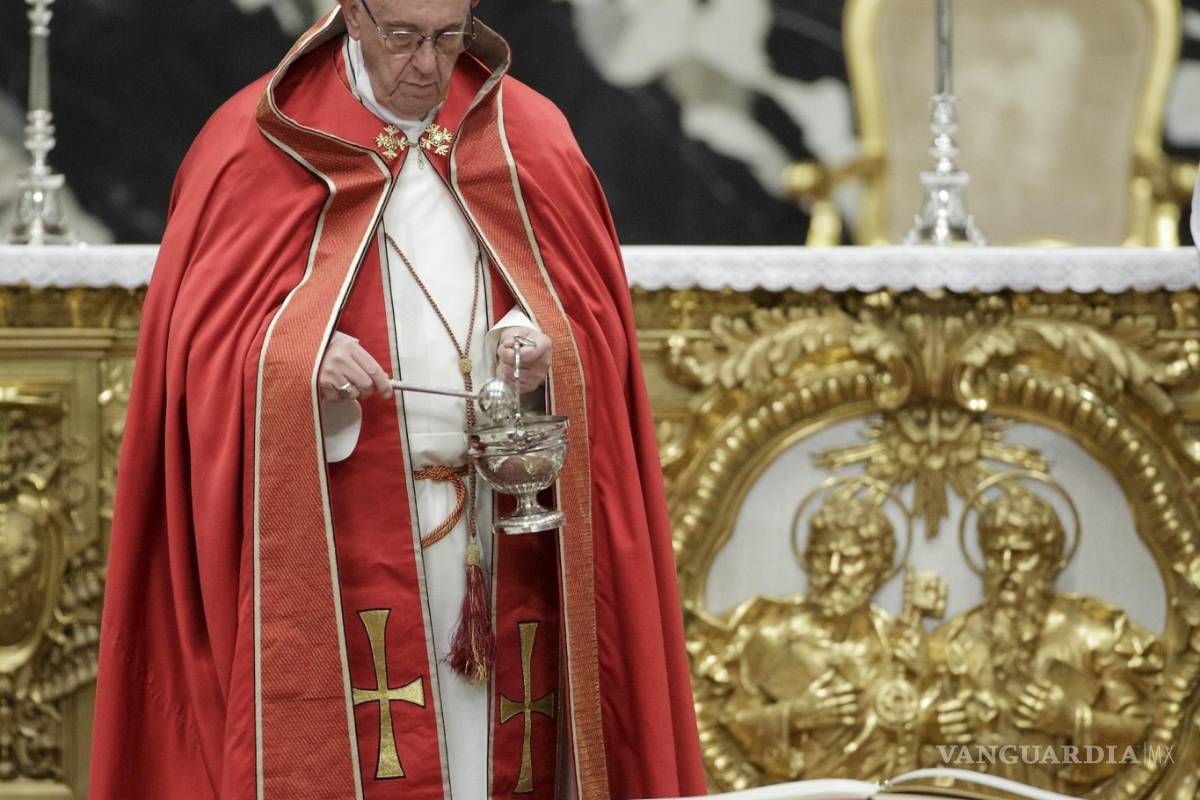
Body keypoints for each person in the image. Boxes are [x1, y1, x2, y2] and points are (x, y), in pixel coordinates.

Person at [88, 1, 705, 798]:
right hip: (350, 527)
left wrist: (535, 335)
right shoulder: (253, 140)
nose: (427, 64)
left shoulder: (533, 135)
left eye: (449, 38)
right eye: (403, 38)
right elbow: (193, 354)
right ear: (352, 15)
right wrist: (296, 355)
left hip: (504, 526)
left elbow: (586, 314)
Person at [931, 490, 1158, 793]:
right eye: (996, 554)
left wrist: (1071, 719)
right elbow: (916, 729)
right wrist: (939, 725)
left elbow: (1143, 732)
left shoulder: (1093, 636)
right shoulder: (957, 637)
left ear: (1049, 561)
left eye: (1022, 554)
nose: (1007, 567)